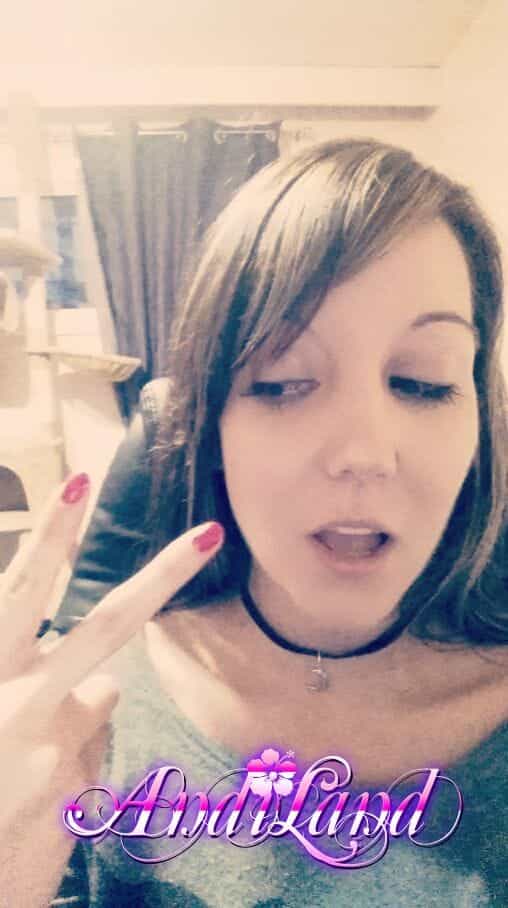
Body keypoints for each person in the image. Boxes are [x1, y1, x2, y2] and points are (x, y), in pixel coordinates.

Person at [1, 138, 507, 906]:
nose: (364, 454)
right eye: (282, 381)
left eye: (422, 381)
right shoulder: (85, 714)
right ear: (210, 430)